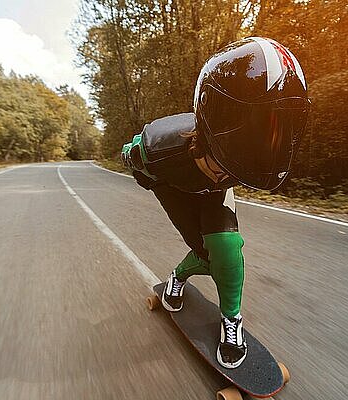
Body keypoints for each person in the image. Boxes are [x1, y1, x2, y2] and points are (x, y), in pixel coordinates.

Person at [121, 37, 310, 369]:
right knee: (206, 255)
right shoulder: (158, 149)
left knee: (225, 249)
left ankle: (231, 319)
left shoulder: (256, 154)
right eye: (259, 128)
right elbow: (133, 153)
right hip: (172, 186)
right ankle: (178, 277)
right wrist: (132, 159)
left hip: (213, 190)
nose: (271, 143)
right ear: (220, 122)